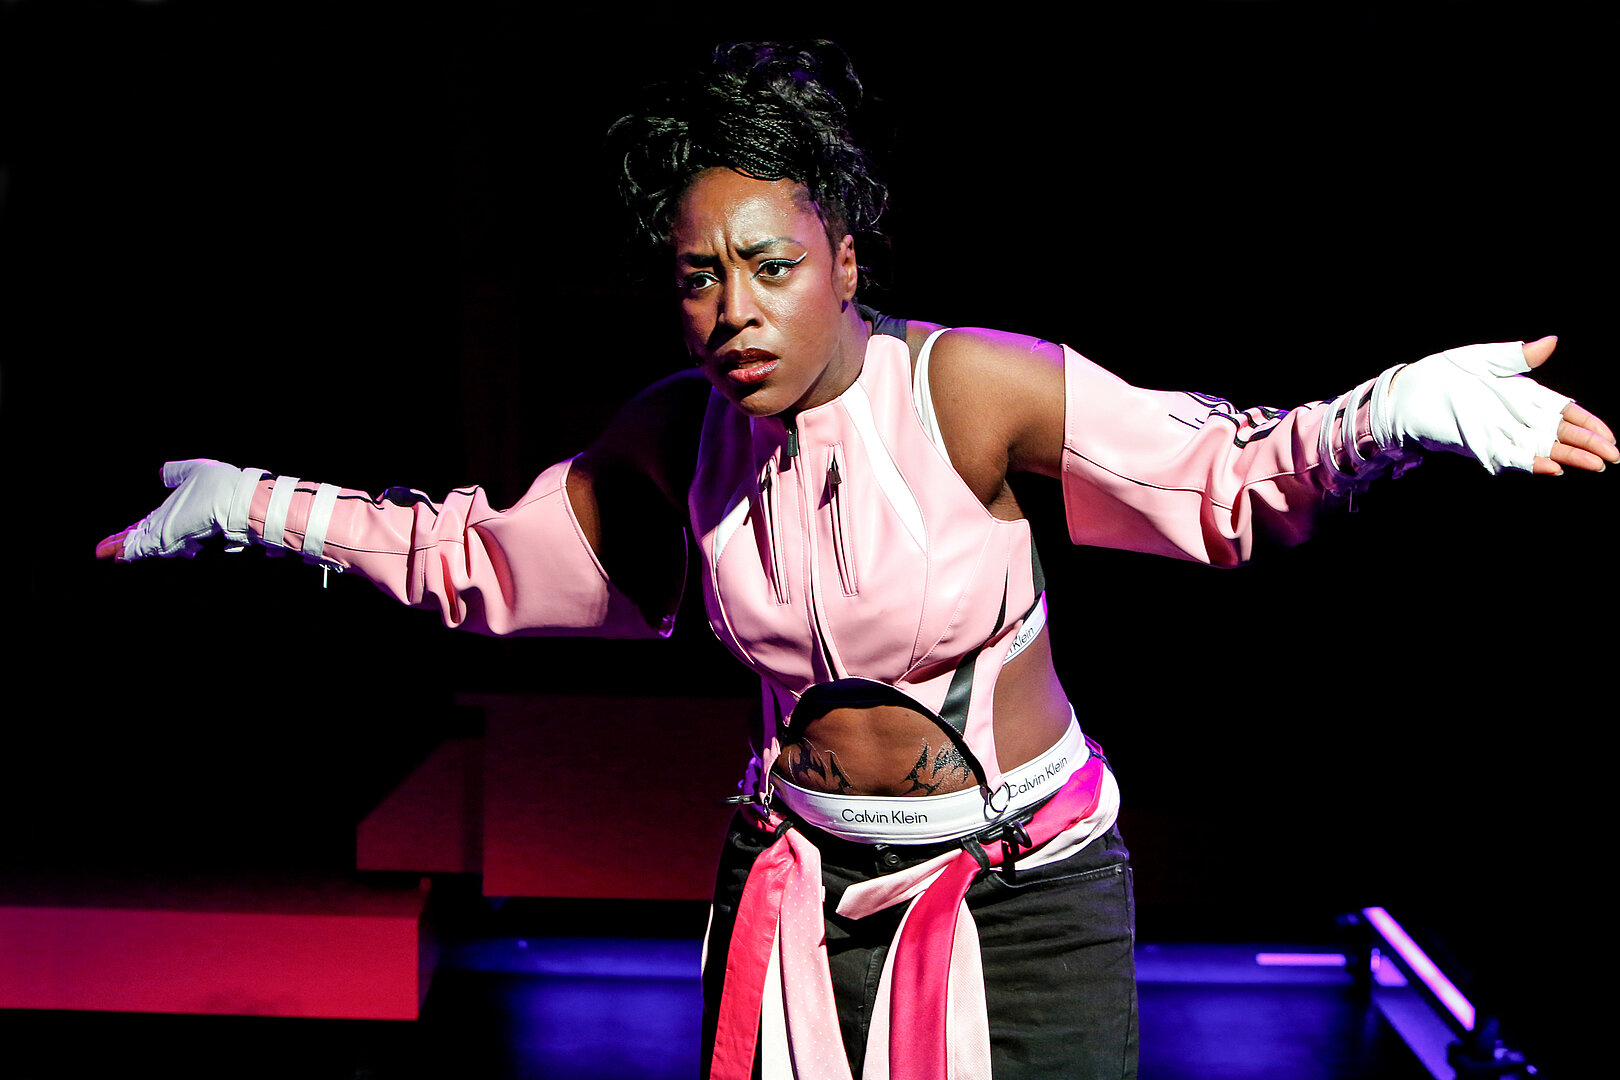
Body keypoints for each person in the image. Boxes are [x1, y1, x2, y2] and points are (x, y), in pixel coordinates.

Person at [96, 41, 1615, 1080]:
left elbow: (1229, 483)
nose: (735, 312)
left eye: (772, 266)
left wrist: (1393, 413)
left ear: (846, 262)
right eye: (699, 278)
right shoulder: (676, 435)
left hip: (1024, 897)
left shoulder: (972, 390)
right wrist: (257, 504)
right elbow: (475, 563)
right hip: (792, 883)